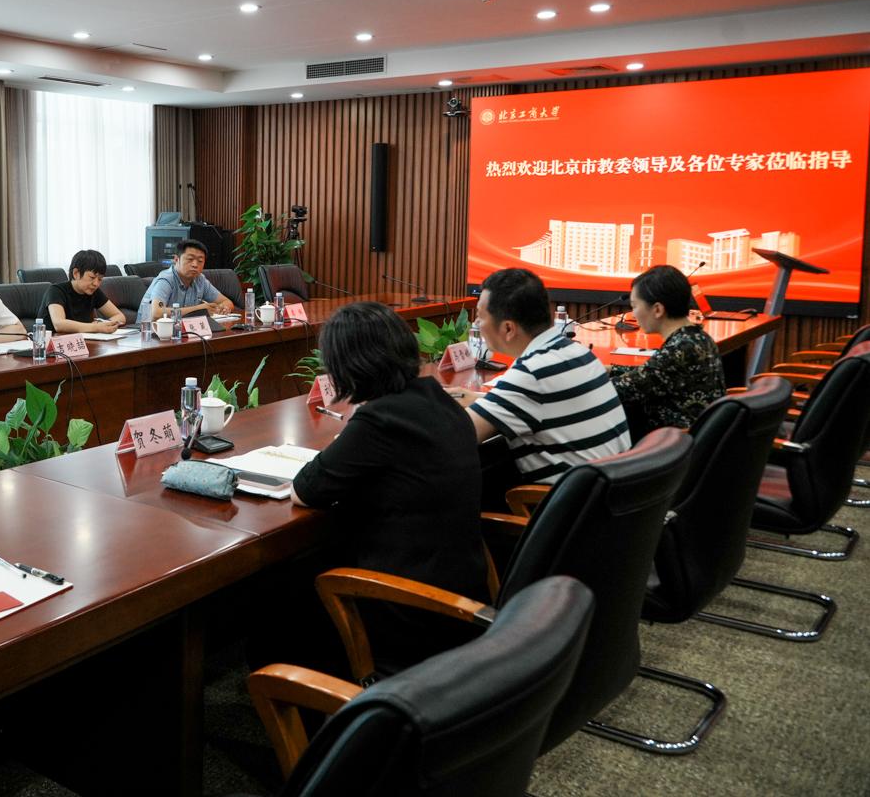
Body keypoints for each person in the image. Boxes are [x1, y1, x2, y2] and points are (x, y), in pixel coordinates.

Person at [290, 300, 489, 671]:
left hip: (406, 613)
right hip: (463, 599)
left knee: (278, 613)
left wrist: (351, 432)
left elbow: (304, 490)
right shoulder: (440, 399)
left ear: (349, 366)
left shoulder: (379, 419)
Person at [450, 268, 631, 507]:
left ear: (508, 328)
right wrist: (478, 399)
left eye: (480, 317)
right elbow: (543, 403)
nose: (476, 324)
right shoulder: (576, 352)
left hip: (569, 516)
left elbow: (457, 437)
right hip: (610, 505)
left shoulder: (531, 373)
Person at [610, 264, 726, 437]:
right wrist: (611, 369)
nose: (633, 315)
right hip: (697, 440)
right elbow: (651, 374)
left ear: (657, 309)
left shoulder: (680, 349)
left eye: (634, 306)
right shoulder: (697, 337)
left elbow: (622, 389)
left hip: (675, 446)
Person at [136, 240, 233, 323]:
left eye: (200, 261)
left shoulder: (200, 279)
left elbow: (226, 302)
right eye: (190, 259)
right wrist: (199, 309)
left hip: (182, 331)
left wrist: (222, 309)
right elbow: (156, 313)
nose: (195, 265)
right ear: (176, 259)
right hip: (148, 334)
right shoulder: (166, 279)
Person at [42, 250, 126, 334]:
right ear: (76, 273)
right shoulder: (56, 291)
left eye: (100, 279)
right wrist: (96, 327)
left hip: (83, 340)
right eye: (92, 277)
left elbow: (120, 316)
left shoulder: (93, 291)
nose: (96, 284)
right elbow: (59, 324)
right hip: (55, 340)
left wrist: (104, 324)